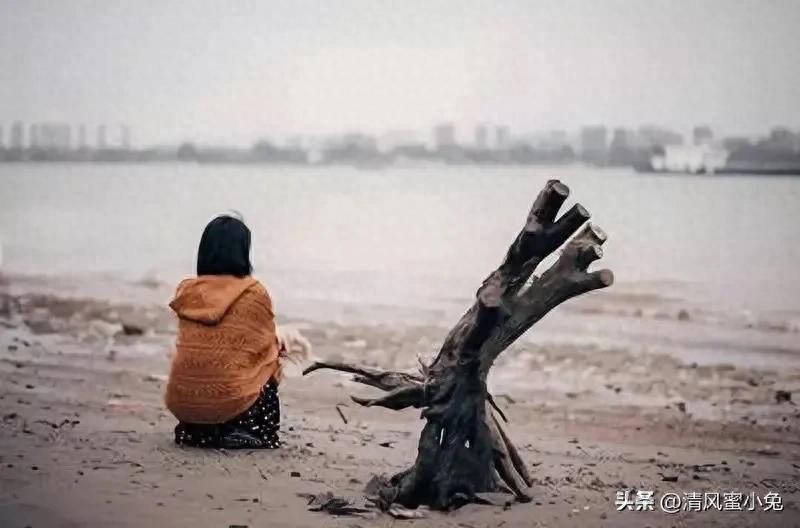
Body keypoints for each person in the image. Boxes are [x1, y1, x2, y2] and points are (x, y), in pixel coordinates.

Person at [165, 212, 286, 449]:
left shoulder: (188, 291)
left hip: (186, 406)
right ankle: (246, 431)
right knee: (269, 358)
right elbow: (265, 350)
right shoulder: (253, 293)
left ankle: (199, 431)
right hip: (232, 404)